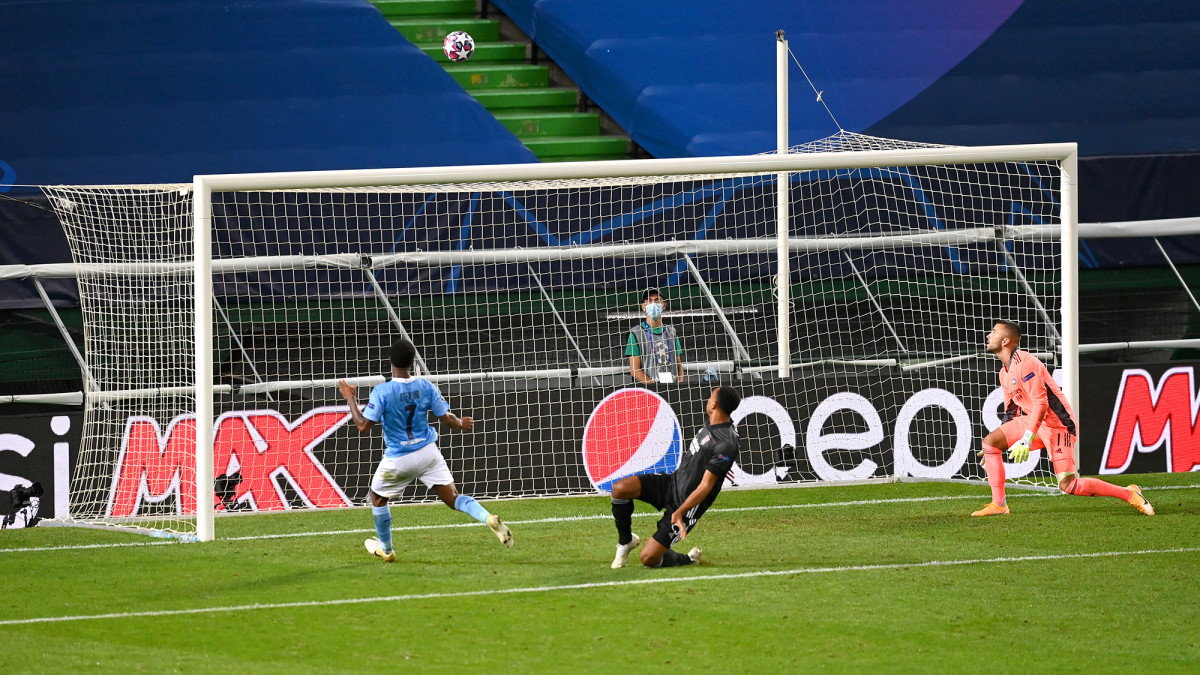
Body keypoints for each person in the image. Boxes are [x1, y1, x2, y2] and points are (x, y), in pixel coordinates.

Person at [338, 339, 514, 562]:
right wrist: (461, 423)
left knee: (378, 500)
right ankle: (487, 517)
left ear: (390, 360)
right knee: (454, 498)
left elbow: (362, 425)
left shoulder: (382, 391)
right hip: (429, 454)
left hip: (399, 459)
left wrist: (350, 397)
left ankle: (387, 550)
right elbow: (446, 418)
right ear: (412, 362)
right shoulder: (425, 386)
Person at [972, 320, 1154, 517]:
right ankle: (999, 505)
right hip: (1035, 421)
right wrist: (996, 448)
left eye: (994, 332)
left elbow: (1042, 404)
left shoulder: (1026, 363)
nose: (989, 335)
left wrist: (1026, 438)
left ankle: (1129, 494)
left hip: (1057, 425)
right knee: (990, 443)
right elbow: (1011, 411)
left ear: (1006, 341)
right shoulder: (1004, 372)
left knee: (1068, 485)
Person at [608, 386, 742, 568]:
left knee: (648, 558)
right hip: (672, 483)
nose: (707, 400)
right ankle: (626, 541)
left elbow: (705, 487)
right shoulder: (713, 421)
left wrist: (680, 512)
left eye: (710, 397)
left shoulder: (726, 442)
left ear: (714, 403)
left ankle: (687, 559)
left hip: (686, 505)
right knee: (620, 489)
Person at [626, 287, 685, 384]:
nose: (653, 304)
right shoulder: (635, 334)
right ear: (644, 307)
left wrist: (679, 385)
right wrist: (656, 390)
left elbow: (679, 365)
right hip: (648, 391)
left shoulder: (672, 331)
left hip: (673, 389)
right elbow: (635, 371)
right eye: (649, 301)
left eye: (657, 300)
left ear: (664, 305)